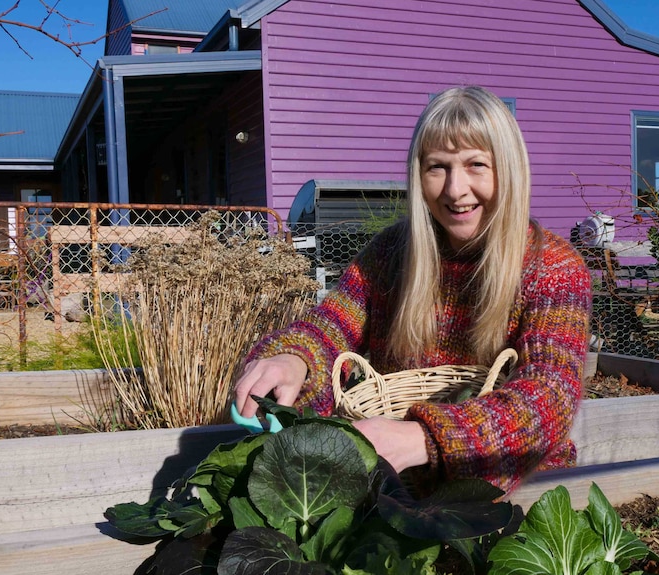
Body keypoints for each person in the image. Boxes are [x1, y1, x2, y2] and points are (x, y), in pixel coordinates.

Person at [234, 85, 592, 493]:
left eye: (477, 165)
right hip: (395, 487)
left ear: (508, 171)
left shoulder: (554, 268)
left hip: (524, 493)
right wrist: (293, 359)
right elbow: (329, 327)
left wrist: (423, 438)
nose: (455, 190)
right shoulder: (390, 253)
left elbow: (550, 396)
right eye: (437, 167)